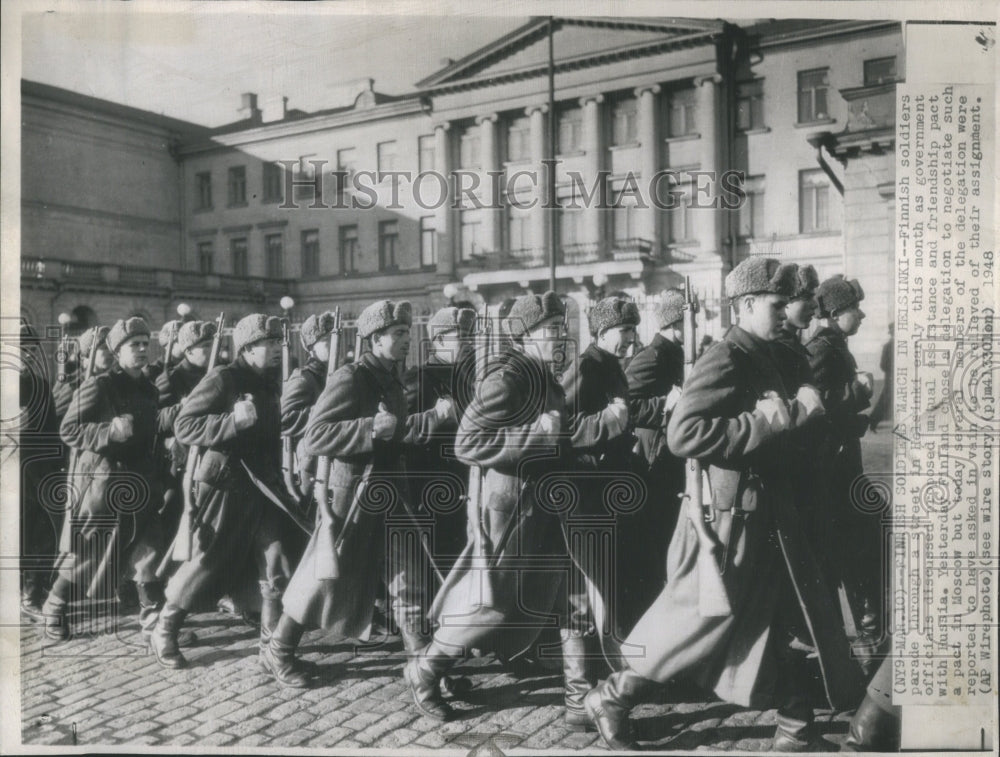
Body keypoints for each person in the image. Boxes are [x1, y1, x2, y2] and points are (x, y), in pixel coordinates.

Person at [583, 257, 864, 751]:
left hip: (771, 514)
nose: (784, 313)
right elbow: (682, 433)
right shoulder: (728, 355)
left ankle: (796, 728)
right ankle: (613, 695)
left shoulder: (771, 353)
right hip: (730, 522)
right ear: (748, 304)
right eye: (776, 305)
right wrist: (768, 422)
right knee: (698, 626)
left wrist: (807, 413)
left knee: (782, 618)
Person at [404, 291, 586, 724]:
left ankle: (579, 696)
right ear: (525, 336)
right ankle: (426, 670)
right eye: (552, 331)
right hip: (511, 510)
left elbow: (556, 433)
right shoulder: (507, 378)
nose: (561, 337)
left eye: (562, 329)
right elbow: (469, 443)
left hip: (545, 503)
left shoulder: (544, 375)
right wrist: (537, 435)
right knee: (493, 606)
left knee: (567, 596)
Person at [261, 300, 454, 689]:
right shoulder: (351, 377)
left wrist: (432, 419)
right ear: (374, 339)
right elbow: (316, 435)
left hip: (389, 497)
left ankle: (424, 671)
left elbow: (395, 431)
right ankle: (278, 650)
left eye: (406, 333)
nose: (406, 341)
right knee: (321, 582)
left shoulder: (392, 378)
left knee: (407, 582)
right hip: (350, 502)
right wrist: (369, 428)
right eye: (397, 335)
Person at [150, 314, 300, 669]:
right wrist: (231, 421)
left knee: (275, 563)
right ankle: (165, 628)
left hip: (264, 487)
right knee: (206, 562)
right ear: (248, 348)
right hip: (225, 485)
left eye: (280, 342)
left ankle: (271, 650)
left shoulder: (268, 381)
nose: (279, 349)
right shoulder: (222, 378)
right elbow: (185, 424)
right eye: (270, 343)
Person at [41, 318, 167, 643]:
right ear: (117, 350)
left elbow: (151, 429)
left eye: (144, 344)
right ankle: (54, 607)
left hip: (142, 482)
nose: (141, 350)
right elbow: (69, 430)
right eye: (133, 345)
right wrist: (107, 431)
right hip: (105, 482)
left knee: (147, 548)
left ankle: (153, 617)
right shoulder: (100, 386)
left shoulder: (150, 389)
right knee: (89, 553)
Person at [807, 275, 882, 674]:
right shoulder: (821, 348)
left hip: (843, 471)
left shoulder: (834, 344)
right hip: (833, 477)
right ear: (836, 314)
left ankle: (871, 643)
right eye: (856, 308)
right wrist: (858, 391)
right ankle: (868, 647)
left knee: (866, 548)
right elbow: (813, 405)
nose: (863, 314)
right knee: (861, 552)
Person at [403, 306, 477, 573]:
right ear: (439, 340)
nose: (470, 343)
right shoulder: (421, 378)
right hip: (432, 492)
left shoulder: (468, 380)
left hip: (464, 485)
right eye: (462, 337)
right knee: (438, 567)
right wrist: (435, 417)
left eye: (471, 337)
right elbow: (402, 433)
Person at [623, 289, 686, 604]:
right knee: (659, 536)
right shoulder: (652, 356)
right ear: (677, 322)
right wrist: (665, 404)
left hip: (673, 457)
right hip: (655, 460)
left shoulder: (676, 353)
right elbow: (627, 406)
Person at [19, 323, 63, 623]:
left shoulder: (41, 385)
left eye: (30, 349)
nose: (25, 354)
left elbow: (52, 432)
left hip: (35, 472)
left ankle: (32, 595)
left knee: (40, 533)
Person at [282, 311, 337, 502]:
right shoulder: (304, 378)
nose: (332, 344)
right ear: (311, 348)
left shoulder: (337, 376)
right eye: (326, 340)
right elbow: (285, 419)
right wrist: (321, 413)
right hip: (310, 462)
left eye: (334, 337)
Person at [52, 326, 113, 422]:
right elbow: (57, 419)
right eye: (104, 348)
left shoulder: (109, 381)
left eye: (111, 347)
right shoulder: (74, 385)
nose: (110, 352)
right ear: (86, 355)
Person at [869, 323, 894, 432]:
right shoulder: (888, 346)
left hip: (898, 377)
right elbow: (883, 365)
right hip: (891, 378)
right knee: (886, 400)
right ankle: (872, 421)